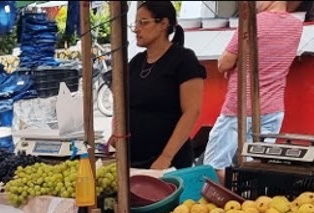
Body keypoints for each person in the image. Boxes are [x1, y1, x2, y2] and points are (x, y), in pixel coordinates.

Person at [204, 1, 302, 176]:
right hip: (273, 110)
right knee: (253, 168)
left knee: (214, 165)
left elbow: (223, 63)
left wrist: (235, 66)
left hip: (239, 108)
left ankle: (228, 201)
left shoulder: (252, 23)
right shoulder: (296, 26)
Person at [124, 1, 206, 170]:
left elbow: (191, 111)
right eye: (136, 23)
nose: (136, 29)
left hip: (169, 163)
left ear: (163, 24)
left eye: (143, 22)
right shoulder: (136, 62)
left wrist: (166, 157)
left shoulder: (183, 60)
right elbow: (123, 107)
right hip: (133, 160)